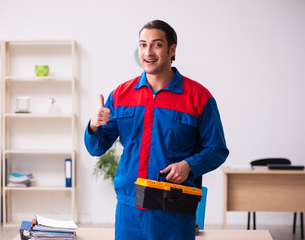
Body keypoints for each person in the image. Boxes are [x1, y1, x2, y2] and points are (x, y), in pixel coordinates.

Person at [84, 20, 229, 240]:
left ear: (172, 49)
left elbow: (217, 149)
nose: (148, 52)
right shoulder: (120, 95)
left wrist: (188, 166)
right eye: (143, 45)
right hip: (130, 208)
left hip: (174, 210)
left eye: (156, 44)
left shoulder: (198, 97)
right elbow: (96, 148)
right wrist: (94, 125)